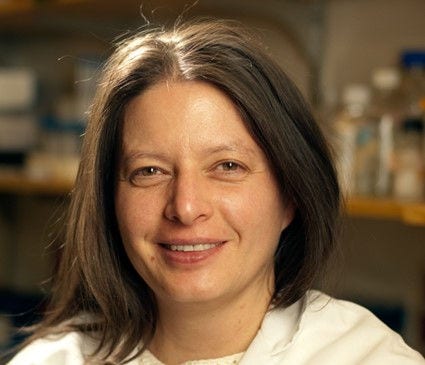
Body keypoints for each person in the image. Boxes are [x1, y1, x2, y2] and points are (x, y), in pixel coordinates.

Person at [6, 18, 424, 365]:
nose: (186, 207)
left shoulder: (368, 357)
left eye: (228, 167)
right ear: (109, 200)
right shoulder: (53, 360)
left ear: (291, 194)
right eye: (149, 171)